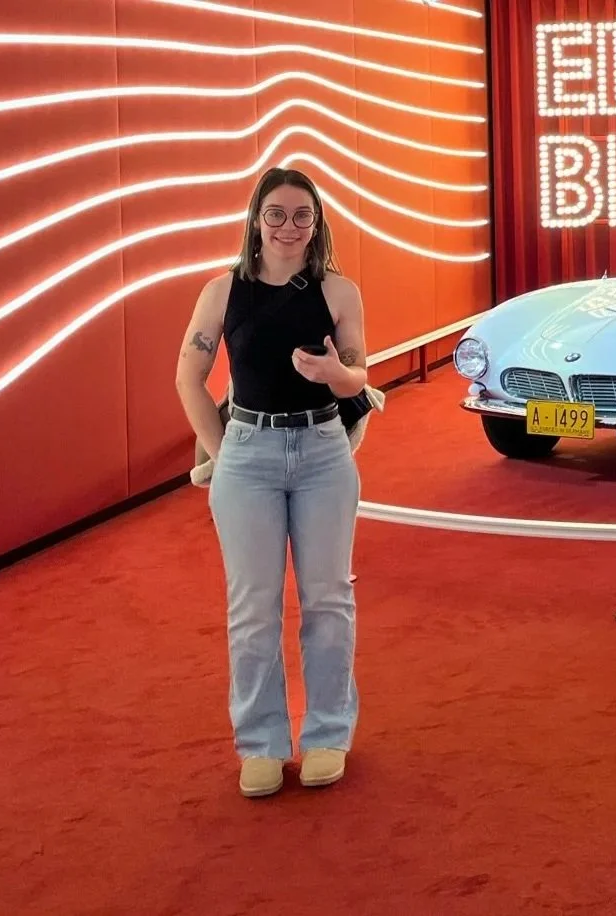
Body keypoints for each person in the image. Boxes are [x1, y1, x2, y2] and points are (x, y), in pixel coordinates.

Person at [175, 167, 366, 798]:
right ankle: (260, 743)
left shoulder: (338, 290)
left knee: (328, 600)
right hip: (247, 454)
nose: (289, 227)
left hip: (322, 452)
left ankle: (327, 734)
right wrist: (223, 448)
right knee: (252, 608)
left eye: (302, 215)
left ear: (318, 223)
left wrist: (333, 372)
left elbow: (357, 381)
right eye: (277, 214)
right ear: (256, 218)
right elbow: (189, 377)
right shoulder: (221, 292)